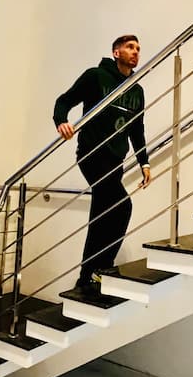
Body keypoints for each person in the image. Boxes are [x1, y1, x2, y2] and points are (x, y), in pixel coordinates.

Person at [54, 34, 151, 295]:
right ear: (116, 52)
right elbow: (64, 100)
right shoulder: (96, 76)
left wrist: (144, 162)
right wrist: (61, 121)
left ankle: (87, 276)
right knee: (122, 206)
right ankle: (101, 267)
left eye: (138, 48)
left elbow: (137, 130)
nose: (135, 52)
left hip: (116, 160)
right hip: (92, 154)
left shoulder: (136, 91)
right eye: (130, 47)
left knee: (102, 212)